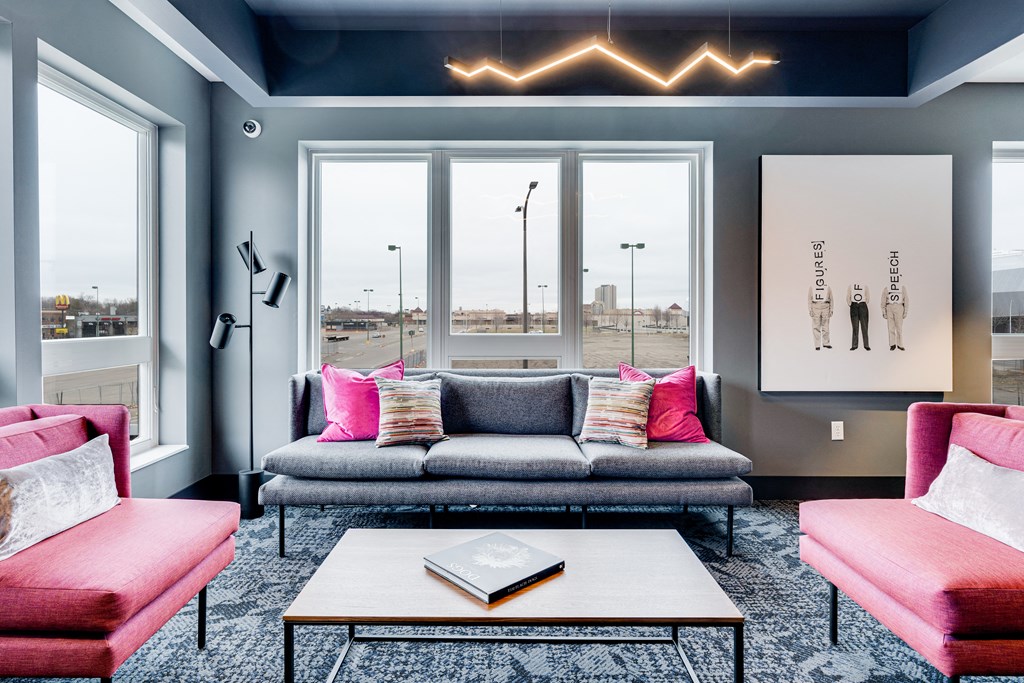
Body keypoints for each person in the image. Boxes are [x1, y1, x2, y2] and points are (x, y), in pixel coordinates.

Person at [882, 284, 909, 350]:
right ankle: (892, 344)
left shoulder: (902, 287)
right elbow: (883, 299)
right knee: (891, 327)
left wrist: (905, 311)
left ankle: (900, 344)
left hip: (899, 306)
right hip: (889, 306)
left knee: (899, 327)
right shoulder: (887, 287)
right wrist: (884, 312)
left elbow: (906, 299)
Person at [807, 285, 834, 350]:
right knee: (816, 326)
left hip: (826, 306)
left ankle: (826, 343)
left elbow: (831, 298)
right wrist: (810, 309)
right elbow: (809, 298)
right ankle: (817, 345)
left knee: (826, 326)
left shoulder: (828, 286)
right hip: (815, 306)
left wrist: (831, 309)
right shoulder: (812, 286)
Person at [846, 284, 870, 350]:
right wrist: (851, 304)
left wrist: (863, 304)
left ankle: (866, 345)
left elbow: (867, 297)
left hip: (862, 305)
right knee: (855, 327)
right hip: (854, 305)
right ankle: (854, 345)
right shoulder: (850, 286)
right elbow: (848, 296)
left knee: (864, 326)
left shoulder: (865, 286)